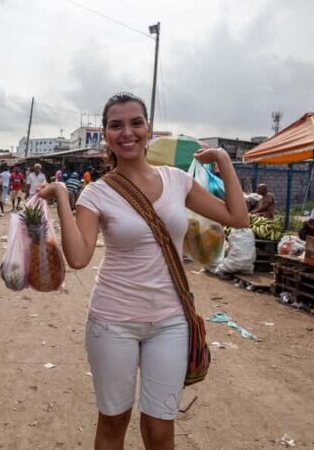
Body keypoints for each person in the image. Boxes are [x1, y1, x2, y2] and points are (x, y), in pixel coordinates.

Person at [37, 93, 247, 449]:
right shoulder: (96, 194)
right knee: (113, 422)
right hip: (112, 321)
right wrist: (61, 196)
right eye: (116, 125)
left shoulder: (178, 181)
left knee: (161, 428)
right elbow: (78, 258)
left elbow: (237, 217)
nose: (127, 132)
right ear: (106, 134)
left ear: (148, 129)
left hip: (170, 322)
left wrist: (224, 160)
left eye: (136, 122)